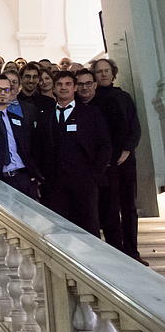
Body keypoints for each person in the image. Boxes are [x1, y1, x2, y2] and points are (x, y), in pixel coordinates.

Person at [34, 71, 111, 237]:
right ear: (53, 88)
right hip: (54, 185)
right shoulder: (44, 117)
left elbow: (105, 146)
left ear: (75, 87)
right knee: (57, 231)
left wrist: (94, 175)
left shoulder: (91, 114)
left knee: (89, 229)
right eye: (60, 84)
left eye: (68, 84)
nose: (64, 88)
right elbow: (37, 148)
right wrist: (41, 177)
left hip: (84, 182)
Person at [92, 58, 145, 264]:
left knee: (129, 206)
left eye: (107, 71)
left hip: (125, 160)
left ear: (113, 73)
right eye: (99, 72)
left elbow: (135, 127)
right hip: (105, 164)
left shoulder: (123, 97)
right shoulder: (91, 100)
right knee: (110, 207)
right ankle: (116, 251)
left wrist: (127, 150)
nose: (103, 74)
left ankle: (133, 251)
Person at [76, 69, 128, 252]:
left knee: (110, 215)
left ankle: (118, 256)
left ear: (95, 85)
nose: (84, 88)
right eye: (80, 84)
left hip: (107, 168)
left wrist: (117, 155)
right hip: (84, 172)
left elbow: (121, 131)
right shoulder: (72, 107)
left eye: (88, 83)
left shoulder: (109, 103)